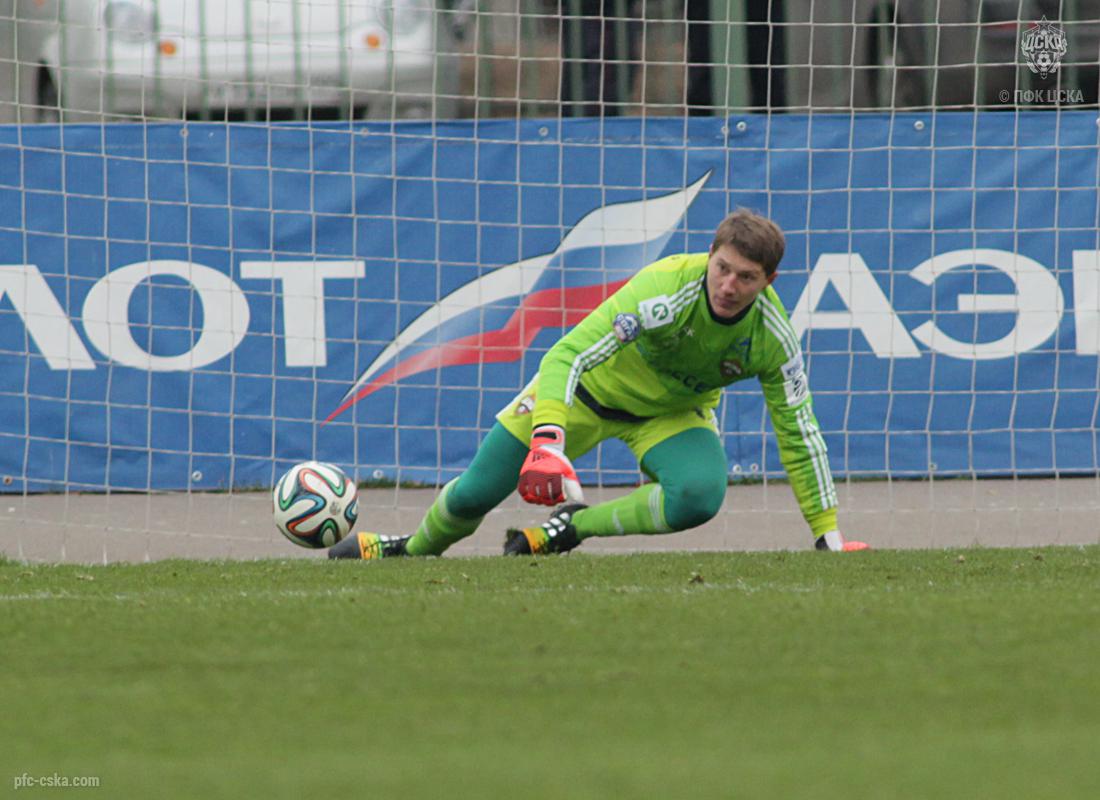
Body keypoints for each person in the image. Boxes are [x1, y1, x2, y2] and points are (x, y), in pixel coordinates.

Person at [329, 209, 868, 560]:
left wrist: (828, 534)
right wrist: (548, 442)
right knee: (474, 493)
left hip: (670, 415)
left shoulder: (773, 337)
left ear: (769, 281)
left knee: (699, 497)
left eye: (746, 277)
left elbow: (799, 430)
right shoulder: (663, 290)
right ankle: (412, 549)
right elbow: (567, 354)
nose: (728, 285)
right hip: (581, 395)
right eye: (722, 268)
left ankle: (576, 526)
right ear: (710, 255)